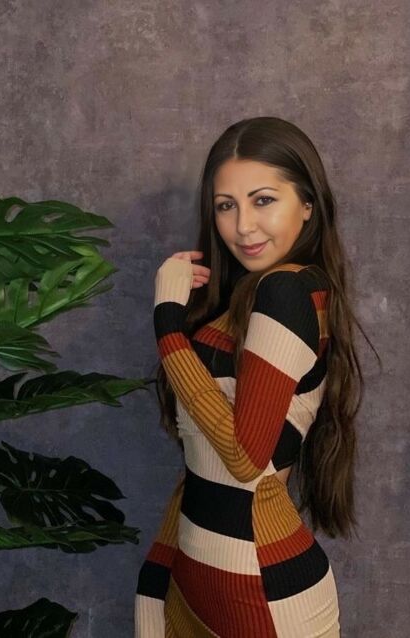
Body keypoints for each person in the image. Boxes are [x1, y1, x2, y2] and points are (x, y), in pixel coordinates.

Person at [134, 116, 379, 637]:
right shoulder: (244, 298)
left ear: (308, 204)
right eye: (226, 205)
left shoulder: (287, 292)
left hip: (262, 595)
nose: (243, 226)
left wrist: (168, 326)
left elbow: (246, 460)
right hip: (198, 578)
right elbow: (202, 464)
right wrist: (160, 573)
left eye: (263, 200)